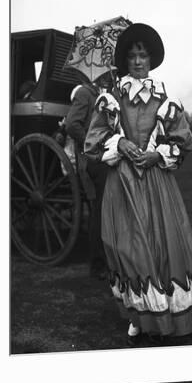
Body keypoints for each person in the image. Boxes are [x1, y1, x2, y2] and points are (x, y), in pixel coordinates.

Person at [84, 23, 192, 345]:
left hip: (156, 184)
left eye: (143, 55)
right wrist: (120, 143)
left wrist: (158, 154)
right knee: (127, 247)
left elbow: (182, 140)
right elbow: (93, 141)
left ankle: (168, 313)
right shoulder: (110, 99)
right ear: (124, 61)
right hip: (123, 184)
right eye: (132, 56)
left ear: (151, 60)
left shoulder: (165, 100)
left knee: (161, 245)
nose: (138, 61)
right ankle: (139, 315)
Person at [65, 72, 113, 279]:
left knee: (109, 207)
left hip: (105, 157)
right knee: (100, 208)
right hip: (90, 161)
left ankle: (111, 257)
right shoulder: (85, 93)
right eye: (107, 73)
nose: (111, 77)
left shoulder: (106, 95)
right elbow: (72, 124)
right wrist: (93, 142)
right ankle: (97, 264)